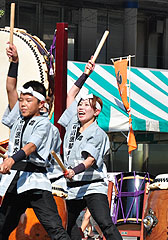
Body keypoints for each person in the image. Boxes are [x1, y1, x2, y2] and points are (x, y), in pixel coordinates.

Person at [0, 43, 70, 240]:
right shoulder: (18, 116)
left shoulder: (43, 124)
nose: (22, 104)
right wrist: (15, 62)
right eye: (22, 100)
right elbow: (10, 87)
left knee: (55, 229)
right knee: (2, 228)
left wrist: (11, 159)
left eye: (28, 101)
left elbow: (31, 146)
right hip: (16, 181)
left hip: (35, 181)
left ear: (41, 104)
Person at [58, 57, 122, 240]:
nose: (81, 107)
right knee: (66, 225)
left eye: (87, 105)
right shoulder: (72, 122)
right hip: (72, 187)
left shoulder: (98, 133)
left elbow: (90, 160)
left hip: (92, 187)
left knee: (104, 223)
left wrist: (73, 170)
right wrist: (85, 74)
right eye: (80, 104)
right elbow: (71, 95)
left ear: (96, 112)